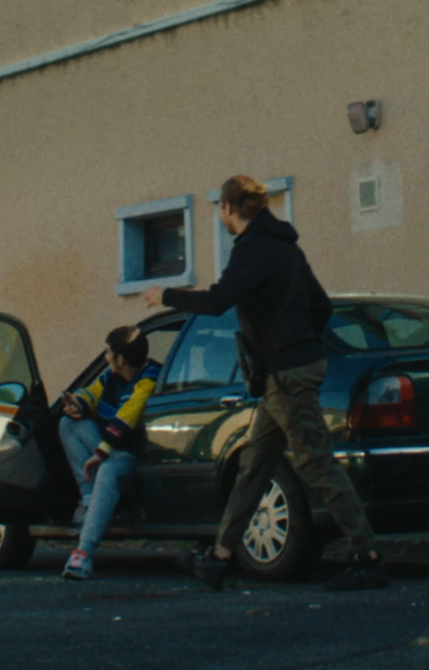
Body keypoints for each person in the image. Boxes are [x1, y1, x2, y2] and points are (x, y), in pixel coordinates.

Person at [144, 175, 389, 592]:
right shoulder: (286, 248)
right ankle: (220, 557)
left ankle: (368, 558)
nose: (220, 216)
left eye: (220, 209)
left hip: (287, 374)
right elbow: (321, 306)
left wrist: (165, 295)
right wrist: (298, 341)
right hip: (286, 372)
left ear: (228, 208)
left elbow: (217, 300)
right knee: (254, 466)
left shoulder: (252, 249)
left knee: (316, 463)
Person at [55, 325, 161, 580]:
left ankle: (83, 553)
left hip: (129, 456)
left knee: (108, 471)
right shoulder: (111, 376)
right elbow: (91, 394)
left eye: (108, 352)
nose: (105, 357)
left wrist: (101, 453)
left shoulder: (149, 377)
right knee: (67, 424)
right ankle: (89, 499)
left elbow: (129, 415)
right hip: (109, 450)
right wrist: (77, 405)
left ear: (120, 359)